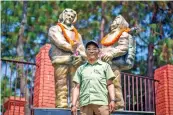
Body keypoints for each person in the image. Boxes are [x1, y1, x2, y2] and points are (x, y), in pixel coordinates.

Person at [48, 8, 86, 108]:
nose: (70, 18)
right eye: (68, 15)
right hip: (61, 59)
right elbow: (59, 42)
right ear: (63, 16)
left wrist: (82, 57)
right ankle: (61, 105)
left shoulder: (77, 34)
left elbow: (82, 48)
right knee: (61, 84)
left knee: (76, 84)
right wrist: (72, 48)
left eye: (72, 16)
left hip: (75, 61)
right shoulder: (55, 29)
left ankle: (75, 104)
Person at [100, 15, 136, 110]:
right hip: (103, 65)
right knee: (103, 87)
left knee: (115, 84)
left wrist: (111, 54)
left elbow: (123, 48)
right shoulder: (107, 36)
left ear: (122, 23)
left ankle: (119, 106)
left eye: (117, 19)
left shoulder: (123, 33)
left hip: (114, 64)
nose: (114, 21)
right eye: (114, 19)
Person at [71, 40, 116, 115]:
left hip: (101, 104)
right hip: (85, 104)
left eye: (94, 49)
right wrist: (73, 105)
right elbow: (76, 88)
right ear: (85, 52)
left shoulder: (105, 66)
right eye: (89, 49)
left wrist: (113, 100)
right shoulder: (80, 69)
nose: (91, 51)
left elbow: (110, 84)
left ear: (99, 51)